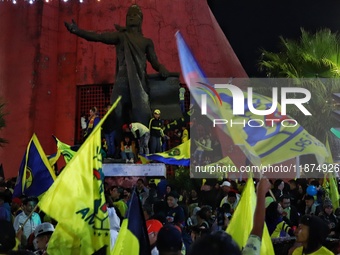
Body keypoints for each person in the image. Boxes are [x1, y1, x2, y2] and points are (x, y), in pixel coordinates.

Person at [65, 4, 169, 129]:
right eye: (129, 15)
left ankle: (142, 145)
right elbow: (99, 37)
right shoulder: (121, 36)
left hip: (139, 83)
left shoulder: (146, 42)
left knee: (141, 115)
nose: (131, 17)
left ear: (140, 19)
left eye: (135, 15)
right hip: (122, 81)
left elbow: (154, 62)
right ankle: (115, 143)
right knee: (116, 113)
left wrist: (161, 67)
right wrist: (77, 31)